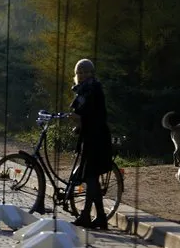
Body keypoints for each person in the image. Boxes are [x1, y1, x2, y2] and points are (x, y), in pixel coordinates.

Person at [69, 58, 113, 230]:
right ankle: (98, 217)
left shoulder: (93, 90)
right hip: (89, 137)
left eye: (86, 72)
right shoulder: (82, 91)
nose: (82, 75)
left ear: (92, 74)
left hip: (97, 138)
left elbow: (97, 116)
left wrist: (80, 119)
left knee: (90, 177)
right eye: (80, 72)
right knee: (91, 178)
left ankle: (88, 215)